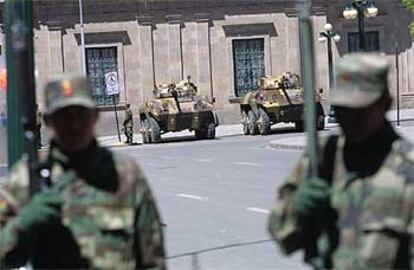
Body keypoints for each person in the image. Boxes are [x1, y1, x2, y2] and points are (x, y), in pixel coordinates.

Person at [0, 74, 165, 269]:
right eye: (63, 116)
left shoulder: (124, 174)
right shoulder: (26, 179)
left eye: (80, 114)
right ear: (48, 121)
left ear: (95, 116)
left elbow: (153, 260)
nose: (74, 124)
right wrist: (23, 224)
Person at [268, 53, 414, 270]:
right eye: (342, 109)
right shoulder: (323, 157)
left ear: (385, 105)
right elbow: (282, 237)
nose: (349, 120)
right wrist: (297, 208)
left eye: (359, 111)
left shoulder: (407, 172)